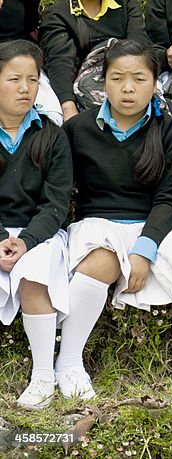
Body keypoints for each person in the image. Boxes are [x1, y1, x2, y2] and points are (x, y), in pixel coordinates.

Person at [59, 40, 172, 400]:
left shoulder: (169, 129)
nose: (128, 88)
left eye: (138, 79)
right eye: (117, 78)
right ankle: (68, 363)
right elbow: (61, 191)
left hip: (153, 222)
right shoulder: (78, 129)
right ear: (104, 82)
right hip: (98, 222)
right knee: (100, 262)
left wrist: (145, 250)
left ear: (155, 83)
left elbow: (170, 196)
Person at [0, 41, 73, 409]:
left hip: (39, 233)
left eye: (33, 79)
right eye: (14, 79)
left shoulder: (51, 135)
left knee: (34, 274)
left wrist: (26, 241)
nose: (25, 88)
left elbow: (56, 202)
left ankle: (44, 373)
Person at [38, 0, 149, 124]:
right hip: (82, 92)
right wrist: (68, 106)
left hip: (128, 83)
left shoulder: (126, 6)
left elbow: (140, 49)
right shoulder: (59, 14)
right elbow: (60, 63)